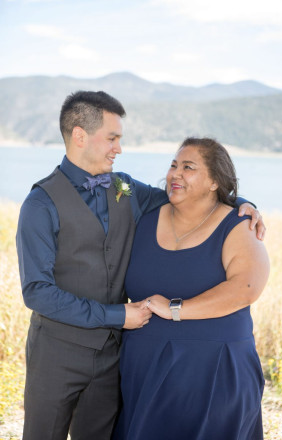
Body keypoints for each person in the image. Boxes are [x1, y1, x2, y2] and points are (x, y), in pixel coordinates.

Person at [16, 90, 265, 440]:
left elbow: (188, 195)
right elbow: (37, 293)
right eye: (113, 138)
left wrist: (244, 204)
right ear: (79, 136)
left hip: (113, 358)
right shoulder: (39, 204)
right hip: (57, 351)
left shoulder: (126, 188)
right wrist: (120, 315)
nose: (119, 148)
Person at [113, 137, 270, 440]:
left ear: (214, 181)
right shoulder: (144, 220)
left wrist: (175, 309)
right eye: (173, 165)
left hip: (215, 371)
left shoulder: (238, 225)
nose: (175, 174)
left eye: (188, 167)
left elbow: (246, 288)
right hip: (145, 369)